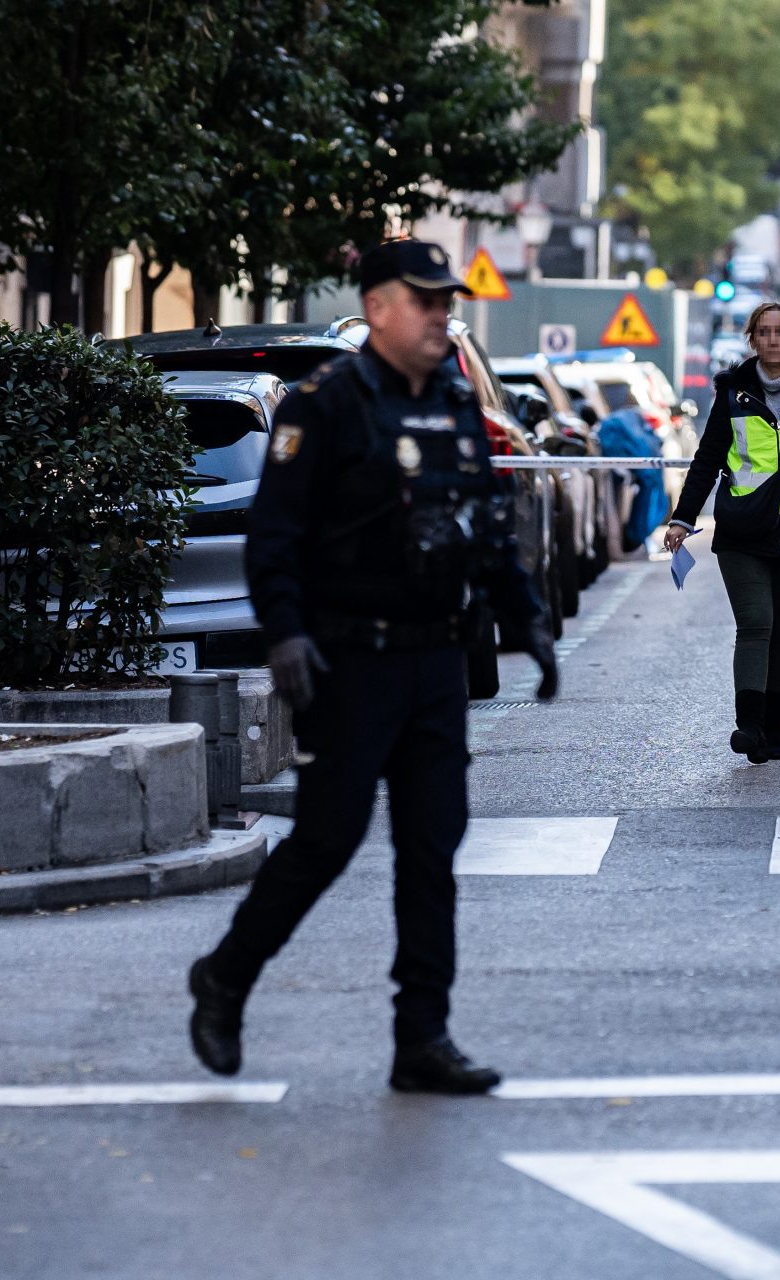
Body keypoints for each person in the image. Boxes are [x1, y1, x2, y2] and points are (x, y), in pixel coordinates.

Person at [187, 240, 558, 1095]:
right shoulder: (324, 407)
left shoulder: (457, 402)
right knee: (326, 840)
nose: (440, 316)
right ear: (379, 306)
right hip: (350, 661)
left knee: (433, 851)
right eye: (424, 301)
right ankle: (226, 976)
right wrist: (284, 636)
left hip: (436, 662)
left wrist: (529, 620)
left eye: (444, 302)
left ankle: (421, 1037)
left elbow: (489, 525)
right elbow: (274, 541)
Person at [663, 302, 780, 761]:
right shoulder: (733, 392)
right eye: (763, 332)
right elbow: (707, 459)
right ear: (752, 339)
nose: (772, 340)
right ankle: (747, 726)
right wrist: (683, 518)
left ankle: (775, 730)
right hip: (743, 531)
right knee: (755, 625)